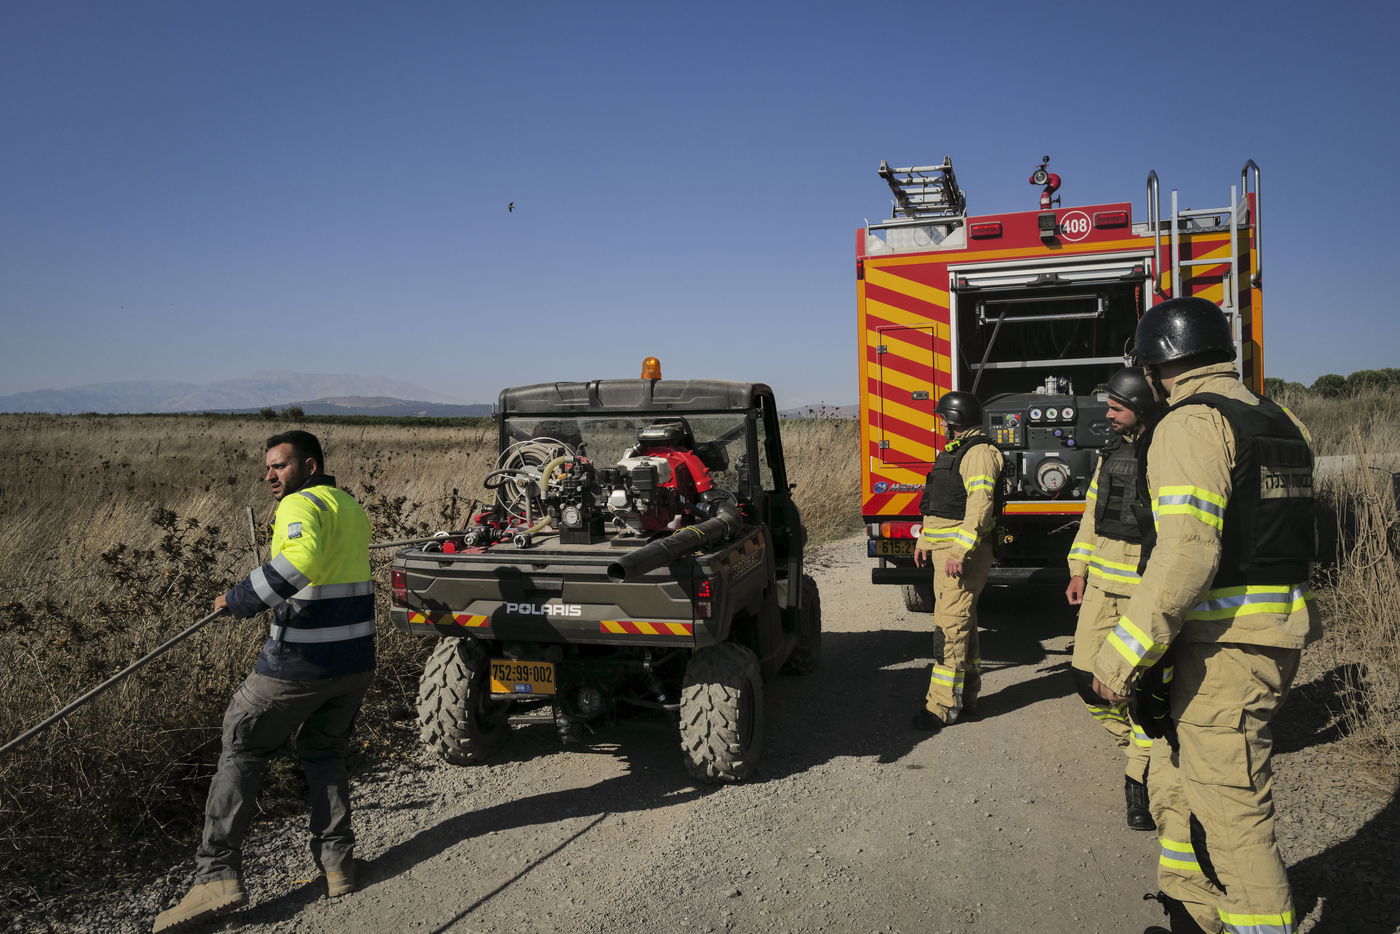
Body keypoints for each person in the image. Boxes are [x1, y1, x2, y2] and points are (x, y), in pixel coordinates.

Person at [1091, 298, 1319, 934]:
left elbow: (1188, 552)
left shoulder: (1189, 424)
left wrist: (1123, 653)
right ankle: (1194, 912)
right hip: (1272, 630)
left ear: (1160, 365)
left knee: (1234, 813)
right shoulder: (1279, 419)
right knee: (1195, 781)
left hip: (1225, 645)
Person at [155, 430, 375, 933]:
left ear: (310, 466)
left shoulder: (300, 506)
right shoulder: (349, 505)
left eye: (280, 466)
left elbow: (300, 562)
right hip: (355, 661)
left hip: (298, 665)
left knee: (242, 747)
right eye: (268, 469)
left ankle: (216, 877)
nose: (272, 477)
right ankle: (338, 864)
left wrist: (239, 598)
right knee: (324, 754)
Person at [1065, 367, 1163, 831]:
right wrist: (1077, 568)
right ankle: (1141, 748)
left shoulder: (1166, 451)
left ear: (1141, 409)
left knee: (1144, 691)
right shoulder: (1111, 452)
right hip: (1103, 586)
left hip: (1146, 591)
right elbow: (1091, 511)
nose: (1106, 414)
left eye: (1116, 407)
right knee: (1087, 678)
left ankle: (1138, 782)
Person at [911, 390, 1004, 732]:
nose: (940, 426)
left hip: (959, 555)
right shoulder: (957, 451)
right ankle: (967, 696)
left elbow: (979, 507)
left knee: (949, 628)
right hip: (944, 550)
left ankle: (940, 706)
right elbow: (939, 506)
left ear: (954, 422)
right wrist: (924, 540)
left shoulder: (979, 454)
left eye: (943, 421)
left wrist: (959, 552)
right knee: (961, 621)